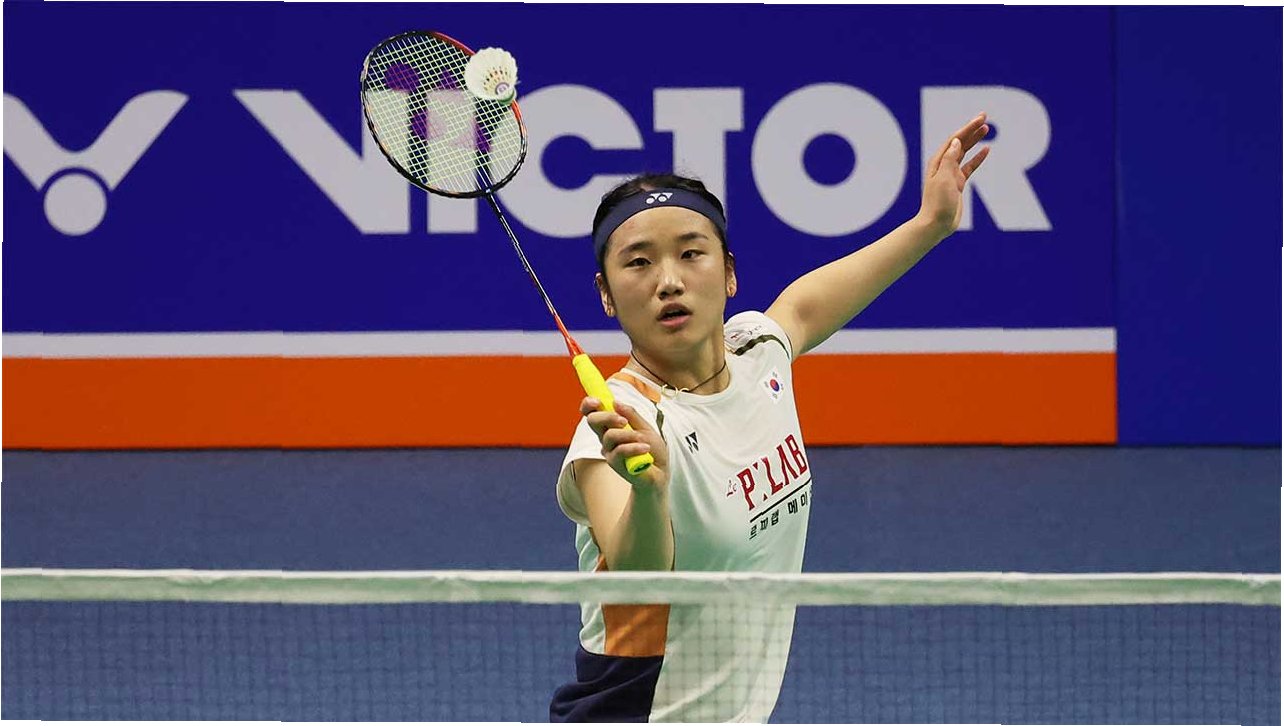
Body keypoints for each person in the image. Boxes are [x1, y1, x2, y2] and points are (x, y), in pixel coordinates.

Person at [549, 114, 992, 723]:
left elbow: (804, 307)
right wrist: (649, 489)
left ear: (729, 273)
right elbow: (640, 579)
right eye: (639, 263)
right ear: (606, 294)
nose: (669, 281)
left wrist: (930, 224)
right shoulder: (618, 425)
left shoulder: (760, 353)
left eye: (691, 253)